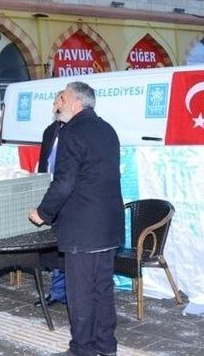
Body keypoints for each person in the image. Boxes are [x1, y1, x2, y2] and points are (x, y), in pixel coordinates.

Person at [29, 82, 124, 356]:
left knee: (80, 292)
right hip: (109, 226)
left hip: (83, 228)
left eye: (62, 98)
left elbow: (64, 183)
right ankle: (106, 346)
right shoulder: (108, 129)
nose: (58, 104)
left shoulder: (71, 132)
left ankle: (82, 349)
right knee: (102, 289)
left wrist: (42, 213)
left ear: (76, 103)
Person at [36, 91, 67, 308]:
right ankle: (57, 292)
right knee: (55, 248)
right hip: (51, 193)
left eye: (58, 102)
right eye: (54, 103)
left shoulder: (75, 131)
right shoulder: (50, 131)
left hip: (69, 196)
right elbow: (44, 163)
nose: (54, 106)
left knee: (67, 247)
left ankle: (69, 292)